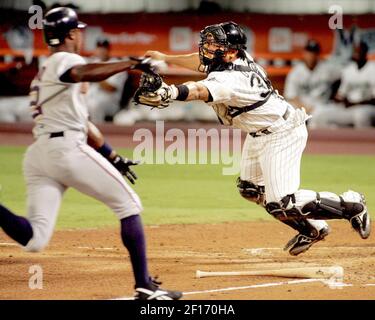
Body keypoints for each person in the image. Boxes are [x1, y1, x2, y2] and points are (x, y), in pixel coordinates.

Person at [142, 21, 371, 256]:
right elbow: (198, 60)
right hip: (259, 132)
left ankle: (352, 205)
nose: (208, 49)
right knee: (251, 189)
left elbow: (199, 91)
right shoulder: (232, 57)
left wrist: (168, 92)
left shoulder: (231, 79)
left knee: (282, 202)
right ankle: (312, 229)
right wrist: (165, 57)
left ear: (230, 52)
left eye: (214, 45)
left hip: (282, 132)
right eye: (208, 44)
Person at [0, 7, 182, 300]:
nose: (81, 35)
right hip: (65, 150)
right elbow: (81, 72)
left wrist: (113, 156)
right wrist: (130, 63)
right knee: (129, 205)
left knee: (35, 239)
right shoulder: (67, 59)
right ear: (71, 34)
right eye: (78, 30)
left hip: (39, 154)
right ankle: (145, 286)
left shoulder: (46, 67)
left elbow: (83, 122)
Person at [312, 41, 375, 128]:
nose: (356, 54)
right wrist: (340, 99)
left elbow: (373, 99)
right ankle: (338, 140)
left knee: (361, 116)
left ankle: (365, 141)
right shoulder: (348, 70)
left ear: (365, 52)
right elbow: (341, 95)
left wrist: (356, 104)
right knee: (321, 116)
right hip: (350, 108)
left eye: (359, 51)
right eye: (354, 51)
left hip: (367, 108)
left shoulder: (372, 68)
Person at [284, 39, 341, 118]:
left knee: (333, 110)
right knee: (289, 109)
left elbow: (345, 75)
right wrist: (304, 108)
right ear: (304, 53)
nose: (311, 55)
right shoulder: (296, 72)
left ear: (318, 54)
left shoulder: (328, 69)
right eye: (309, 52)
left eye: (314, 53)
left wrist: (337, 93)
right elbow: (291, 96)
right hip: (300, 106)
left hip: (321, 106)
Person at [86, 39, 128, 123]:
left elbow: (110, 88)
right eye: (99, 48)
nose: (101, 51)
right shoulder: (94, 63)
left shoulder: (117, 65)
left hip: (111, 102)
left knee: (94, 105)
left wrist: (95, 75)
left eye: (103, 48)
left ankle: (99, 130)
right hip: (91, 97)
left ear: (108, 50)